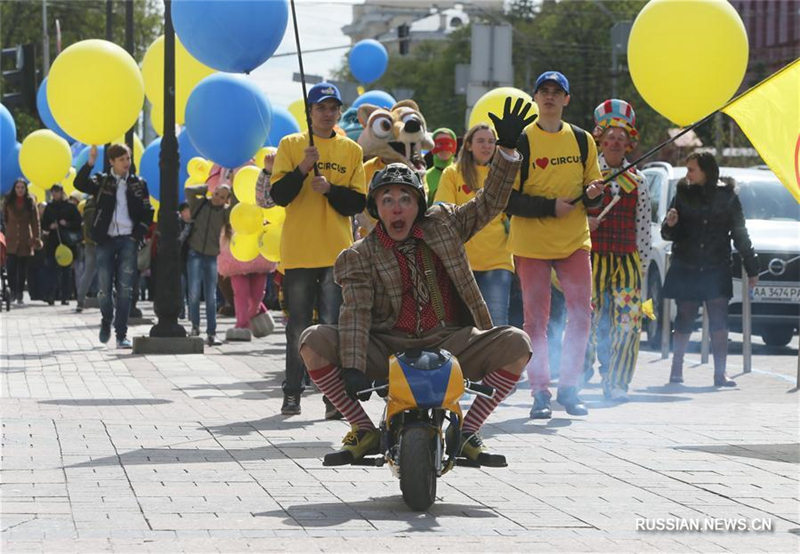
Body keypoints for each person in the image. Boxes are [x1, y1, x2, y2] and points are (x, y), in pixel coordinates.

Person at [298, 98, 534, 465]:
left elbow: (490, 202)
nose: (396, 207)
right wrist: (355, 369)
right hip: (388, 344)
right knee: (312, 340)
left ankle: (469, 430)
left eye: (405, 199)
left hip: (449, 339)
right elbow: (356, 313)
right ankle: (362, 429)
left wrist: (505, 151)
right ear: (375, 209)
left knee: (517, 343)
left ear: (418, 206)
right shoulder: (359, 255)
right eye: (387, 199)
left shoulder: (444, 223)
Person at [505, 71, 605, 419]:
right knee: (536, 321)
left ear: (567, 99)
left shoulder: (582, 140)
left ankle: (570, 389)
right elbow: (506, 199)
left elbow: (594, 189)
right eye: (543, 91)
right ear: (535, 97)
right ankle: (539, 392)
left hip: (574, 241)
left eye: (556, 91)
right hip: (531, 244)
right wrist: (550, 207)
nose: (549, 97)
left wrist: (594, 195)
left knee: (581, 314)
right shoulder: (521, 141)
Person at [269, 82, 367, 416]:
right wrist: (300, 170)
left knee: (331, 325)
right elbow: (279, 196)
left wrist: (329, 189)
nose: (328, 113)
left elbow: (356, 201)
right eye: (321, 108)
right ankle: (293, 391)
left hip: (336, 253)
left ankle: (333, 399)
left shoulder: (352, 150)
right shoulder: (291, 145)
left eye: (333, 107)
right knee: (297, 325)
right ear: (309, 113)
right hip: (298, 251)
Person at [661, 152, 758, 387]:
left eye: (692, 170)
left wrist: (752, 266)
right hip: (687, 264)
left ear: (706, 171)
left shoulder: (727, 196)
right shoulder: (682, 194)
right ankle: (676, 369)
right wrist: (669, 224)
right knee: (684, 316)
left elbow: (740, 233)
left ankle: (720, 373)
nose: (688, 175)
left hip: (716, 266)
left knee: (719, 319)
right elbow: (668, 233)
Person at [583, 99, 651, 402]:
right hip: (591, 260)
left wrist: (642, 271)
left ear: (629, 146)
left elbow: (644, 228)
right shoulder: (585, 175)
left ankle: (617, 381)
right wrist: (585, 222)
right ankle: (580, 372)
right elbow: (570, 215)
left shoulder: (638, 180)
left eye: (621, 139)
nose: (614, 142)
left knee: (627, 323)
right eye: (610, 137)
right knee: (587, 320)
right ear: (600, 139)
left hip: (626, 261)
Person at [74, 143, 154, 349]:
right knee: (104, 289)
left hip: (128, 239)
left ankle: (121, 335)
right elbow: (79, 183)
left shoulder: (138, 183)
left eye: (128, 158)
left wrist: (138, 234)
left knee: (125, 289)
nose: (126, 163)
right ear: (111, 162)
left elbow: (148, 211)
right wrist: (90, 163)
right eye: (121, 159)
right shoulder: (102, 181)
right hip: (105, 240)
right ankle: (106, 320)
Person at [434, 123, 514, 325]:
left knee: (496, 327)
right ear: (468, 145)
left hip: (498, 261)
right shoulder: (452, 173)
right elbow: (443, 212)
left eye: (491, 142)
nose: (486, 146)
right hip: (461, 263)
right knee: (462, 327)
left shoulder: (501, 174)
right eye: (480, 141)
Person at [184, 182, 232, 346]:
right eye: (217, 193)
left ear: (226, 200)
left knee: (211, 296)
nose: (218, 198)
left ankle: (211, 333)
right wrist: (205, 188)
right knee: (194, 292)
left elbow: (236, 207)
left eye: (222, 197)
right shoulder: (201, 203)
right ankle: (195, 327)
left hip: (211, 255)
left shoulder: (225, 213)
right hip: (194, 253)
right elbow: (188, 190)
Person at [218, 223, 277, 341]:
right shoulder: (228, 209)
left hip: (258, 249)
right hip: (234, 250)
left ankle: (254, 314)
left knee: (257, 294)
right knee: (241, 293)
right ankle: (242, 324)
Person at [2, 178, 43, 304]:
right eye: (18, 188)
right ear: (14, 189)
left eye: (22, 188)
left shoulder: (30, 202)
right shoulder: (8, 202)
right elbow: (5, 219)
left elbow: (35, 222)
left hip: (26, 239)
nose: (20, 190)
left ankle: (19, 293)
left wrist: (36, 238)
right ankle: (12, 291)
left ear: (25, 189)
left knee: (22, 268)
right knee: (11, 267)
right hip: (11, 238)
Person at [41, 184, 82, 305]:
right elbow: (43, 224)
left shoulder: (70, 206)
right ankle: (51, 295)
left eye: (57, 192)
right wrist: (50, 226)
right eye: (53, 192)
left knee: (66, 271)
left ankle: (65, 297)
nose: (54, 194)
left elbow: (78, 223)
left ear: (61, 192)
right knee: (51, 269)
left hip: (67, 241)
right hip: (53, 241)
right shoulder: (49, 207)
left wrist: (67, 224)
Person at [425, 127, 458, 205]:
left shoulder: (463, 174)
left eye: (448, 143)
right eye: (439, 144)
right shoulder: (425, 177)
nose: (444, 149)